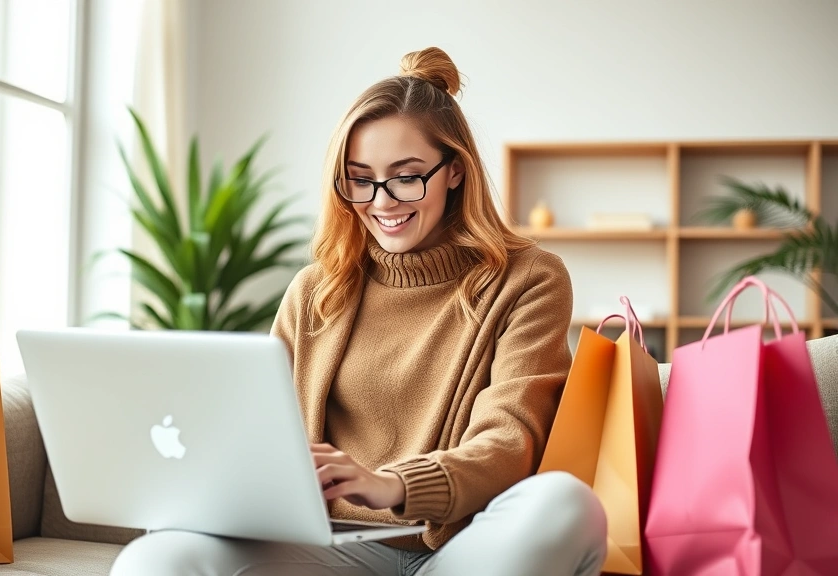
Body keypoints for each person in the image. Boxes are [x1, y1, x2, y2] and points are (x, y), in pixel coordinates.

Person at [111, 47, 607, 575]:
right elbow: (257, 431)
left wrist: (392, 484)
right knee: (156, 558)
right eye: (360, 179)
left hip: (457, 551)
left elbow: (511, 439)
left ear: (455, 171)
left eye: (406, 176)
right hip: (328, 550)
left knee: (566, 505)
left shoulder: (529, 278)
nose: (382, 201)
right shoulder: (314, 291)